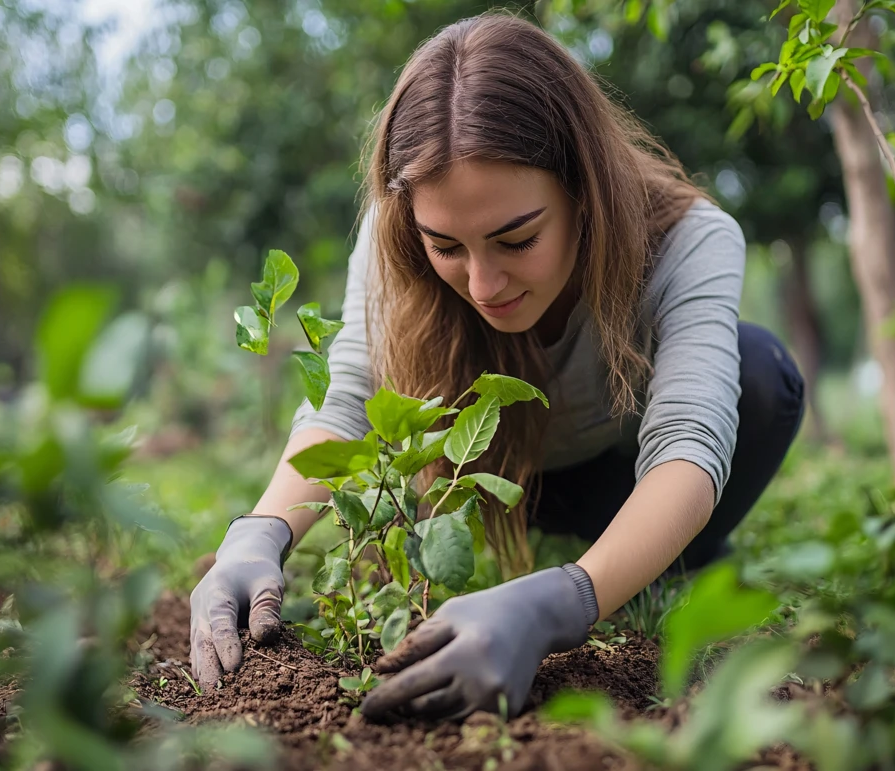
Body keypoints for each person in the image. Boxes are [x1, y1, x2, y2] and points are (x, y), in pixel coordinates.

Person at [189, 11, 805, 723]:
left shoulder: (688, 240)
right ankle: (592, 557)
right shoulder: (394, 236)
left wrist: (562, 602)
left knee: (761, 373)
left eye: (517, 240)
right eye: (447, 247)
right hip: (499, 482)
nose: (483, 285)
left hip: (627, 474)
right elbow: (349, 394)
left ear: (584, 191)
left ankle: (660, 557)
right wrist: (260, 532)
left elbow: (689, 440)